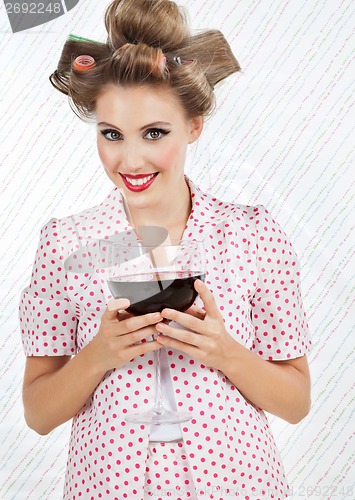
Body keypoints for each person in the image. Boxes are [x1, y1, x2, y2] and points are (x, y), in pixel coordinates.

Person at [19, 0, 312, 499]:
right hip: (111, 485)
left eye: (155, 133)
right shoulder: (66, 244)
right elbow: (38, 413)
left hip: (237, 482)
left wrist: (226, 353)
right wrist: (98, 355)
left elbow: (296, 402)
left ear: (194, 126)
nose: (129, 159)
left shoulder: (253, 235)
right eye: (112, 134)